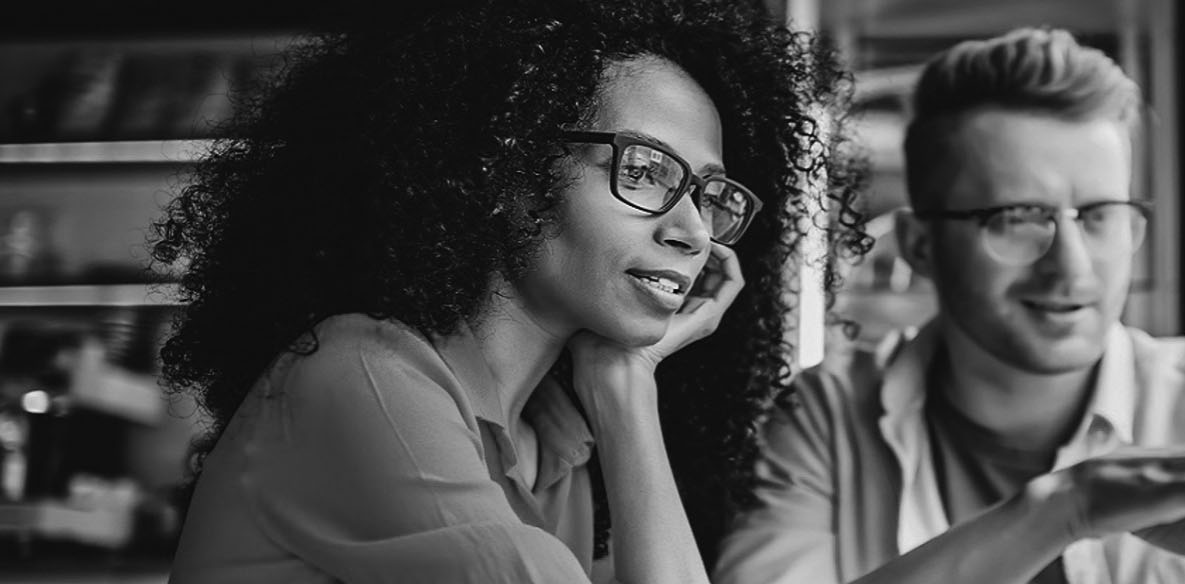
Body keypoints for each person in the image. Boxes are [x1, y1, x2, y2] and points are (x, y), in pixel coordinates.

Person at [156, 1, 864, 582]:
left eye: (710, 195)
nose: (692, 231)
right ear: (507, 173)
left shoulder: (557, 447)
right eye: (646, 170)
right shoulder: (361, 375)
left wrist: (625, 388)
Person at [716, 28, 1185, 584]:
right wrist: (1061, 512)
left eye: (1099, 215)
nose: (1071, 263)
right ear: (919, 245)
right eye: (1017, 217)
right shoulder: (825, 419)